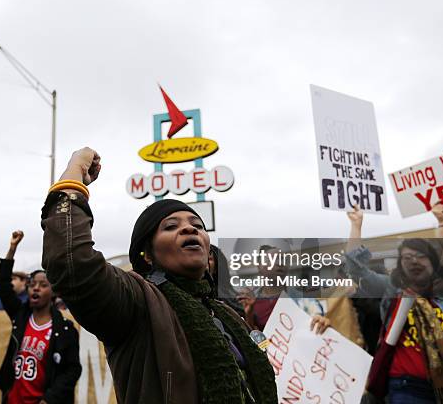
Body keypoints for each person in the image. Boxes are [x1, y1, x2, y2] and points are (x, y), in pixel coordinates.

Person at [41, 147, 277, 403]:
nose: (189, 228)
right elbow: (71, 262)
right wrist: (75, 170)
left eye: (197, 225)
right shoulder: (138, 303)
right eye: (171, 226)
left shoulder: (227, 314)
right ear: (147, 255)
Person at [346, 203, 443, 403]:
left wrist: (441, 223)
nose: (414, 262)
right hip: (408, 387)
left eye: (421, 257)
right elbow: (356, 268)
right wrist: (356, 226)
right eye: (407, 257)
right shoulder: (392, 289)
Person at [0, 230, 81, 404]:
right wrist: (12, 248)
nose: (35, 288)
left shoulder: (65, 329)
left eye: (43, 285)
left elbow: (72, 370)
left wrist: (49, 399)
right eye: (32, 285)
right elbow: (4, 287)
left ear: (53, 292)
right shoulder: (20, 315)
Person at [237, 245, 331, 334]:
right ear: (259, 266)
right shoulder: (247, 302)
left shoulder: (303, 300)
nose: (279, 263)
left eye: (282, 259)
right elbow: (251, 338)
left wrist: (321, 322)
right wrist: (249, 315)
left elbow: (317, 317)